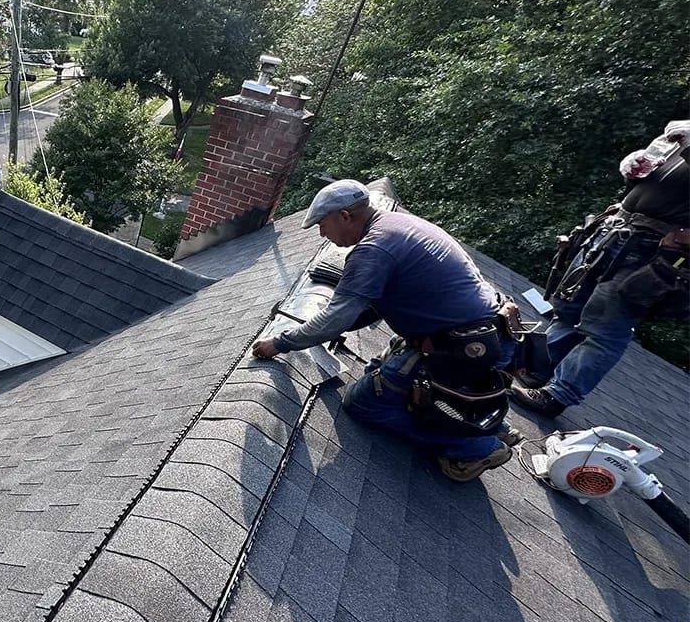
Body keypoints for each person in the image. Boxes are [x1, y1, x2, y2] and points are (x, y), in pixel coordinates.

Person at [252, 179, 517, 481]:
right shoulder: (397, 225)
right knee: (380, 366)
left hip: (462, 351)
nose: (322, 234)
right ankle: (494, 425)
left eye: (322, 225)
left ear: (345, 216)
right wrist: (327, 328)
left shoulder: (374, 249)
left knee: (362, 403)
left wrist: (280, 343)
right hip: (488, 337)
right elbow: (370, 307)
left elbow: (336, 317)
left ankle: (478, 447)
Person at [511, 120, 690, 418]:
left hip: (652, 249)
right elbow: (648, 174)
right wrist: (634, 165)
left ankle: (557, 395)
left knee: (605, 329)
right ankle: (536, 369)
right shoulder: (681, 136)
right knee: (568, 309)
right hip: (616, 232)